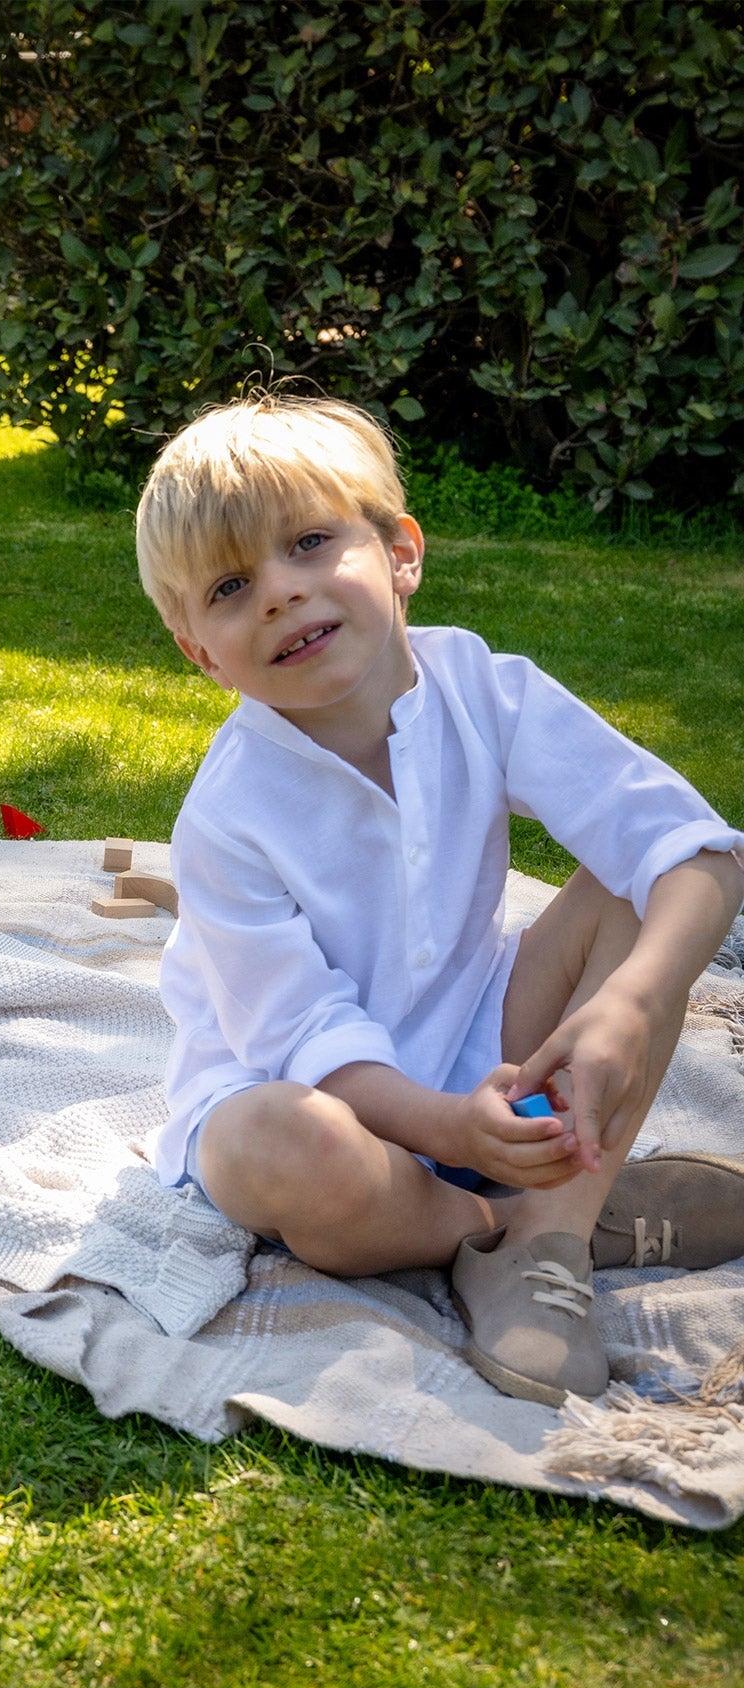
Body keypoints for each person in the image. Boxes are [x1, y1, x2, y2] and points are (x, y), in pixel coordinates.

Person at [134, 394, 744, 1407]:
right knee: (267, 1145)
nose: (280, 594)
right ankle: (502, 1229)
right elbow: (303, 1037)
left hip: (484, 1044)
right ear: (202, 653)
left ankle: (548, 1245)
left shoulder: (483, 690)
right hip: (328, 1116)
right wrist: (452, 1133)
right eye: (232, 587)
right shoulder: (227, 814)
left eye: (310, 544)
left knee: (641, 900)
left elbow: (698, 849)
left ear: (401, 552)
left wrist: (626, 1005)